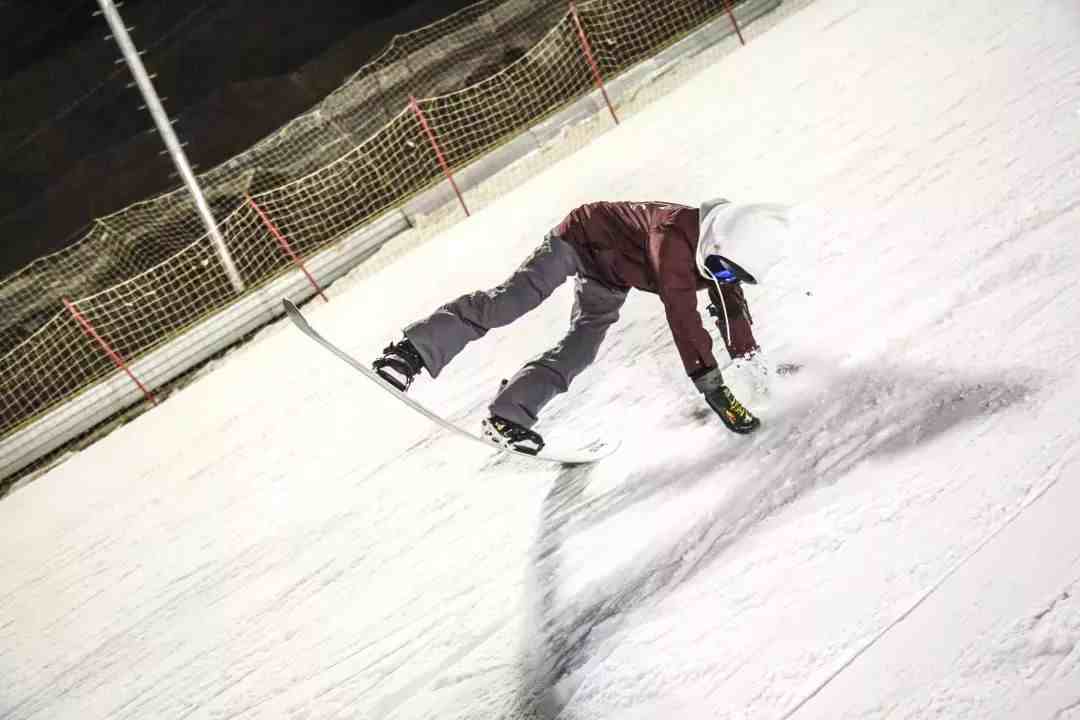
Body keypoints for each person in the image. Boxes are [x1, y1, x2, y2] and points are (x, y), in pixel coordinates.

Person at [374, 198, 781, 454]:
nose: (725, 279)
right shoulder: (673, 240)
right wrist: (715, 391)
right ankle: (410, 352)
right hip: (580, 240)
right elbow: (684, 319)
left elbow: (731, 307)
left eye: (733, 275)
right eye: (725, 271)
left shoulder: (719, 258)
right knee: (510, 303)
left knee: (583, 345)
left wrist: (749, 359)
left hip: (613, 274)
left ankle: (509, 415)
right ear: (717, 244)